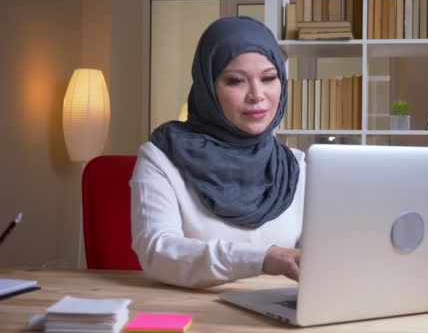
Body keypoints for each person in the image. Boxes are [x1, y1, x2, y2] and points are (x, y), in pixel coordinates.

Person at [130, 16, 306, 289]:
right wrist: (263, 258)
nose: (257, 95)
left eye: (269, 78)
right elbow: (157, 251)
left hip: (279, 319)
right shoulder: (160, 158)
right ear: (208, 87)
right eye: (236, 81)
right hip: (195, 318)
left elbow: (318, 257)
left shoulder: (296, 166)